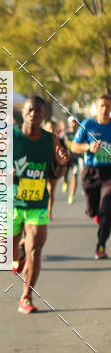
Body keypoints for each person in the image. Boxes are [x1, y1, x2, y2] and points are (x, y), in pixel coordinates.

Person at [12, 96, 69, 312]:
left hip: (37, 204)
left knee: (36, 248)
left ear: (44, 116)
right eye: (30, 110)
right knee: (8, 256)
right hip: (11, 203)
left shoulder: (50, 140)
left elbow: (58, 171)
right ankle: (18, 255)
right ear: (23, 113)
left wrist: (63, 163)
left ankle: (26, 297)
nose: (34, 114)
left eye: (38, 111)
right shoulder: (10, 137)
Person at [70, 95, 111, 258]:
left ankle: (100, 245)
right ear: (97, 107)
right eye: (102, 105)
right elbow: (73, 146)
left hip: (109, 173)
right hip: (91, 172)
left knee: (107, 209)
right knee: (93, 210)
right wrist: (88, 147)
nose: (104, 109)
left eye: (108, 106)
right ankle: (95, 214)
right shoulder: (88, 124)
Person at [61, 117, 81, 206]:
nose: (73, 124)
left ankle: (71, 195)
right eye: (72, 122)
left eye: (75, 122)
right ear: (69, 123)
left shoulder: (80, 134)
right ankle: (65, 181)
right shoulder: (64, 134)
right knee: (64, 174)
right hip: (66, 159)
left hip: (75, 159)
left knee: (75, 176)